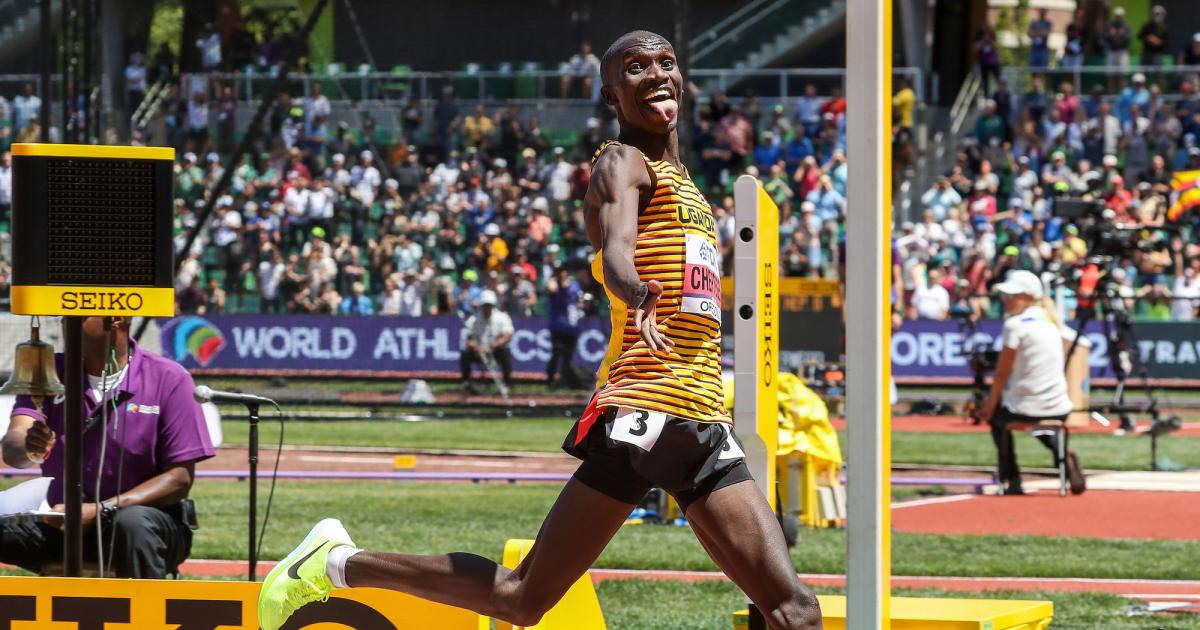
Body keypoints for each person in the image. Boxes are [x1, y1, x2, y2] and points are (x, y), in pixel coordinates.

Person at [258, 31, 822, 630]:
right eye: (635, 68)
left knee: (789, 611)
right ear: (612, 93)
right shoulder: (621, 162)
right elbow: (615, 253)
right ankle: (337, 563)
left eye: (665, 62)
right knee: (528, 597)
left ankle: (340, 563)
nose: (656, 73)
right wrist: (634, 290)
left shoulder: (684, 180)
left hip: (701, 413)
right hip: (651, 411)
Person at [0, 317, 214, 577]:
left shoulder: (169, 378)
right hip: (61, 523)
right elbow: (14, 444)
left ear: (116, 319)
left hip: (144, 525)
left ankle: (143, 616)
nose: (65, 319)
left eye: (80, 311)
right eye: (65, 313)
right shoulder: (47, 370)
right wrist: (27, 445)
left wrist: (102, 509)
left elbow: (179, 478)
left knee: (132, 523)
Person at [975, 271, 1086, 496]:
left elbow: (1001, 374)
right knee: (1040, 419)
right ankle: (1062, 457)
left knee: (999, 418)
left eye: (1011, 296)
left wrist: (989, 404)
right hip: (1060, 407)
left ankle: (1012, 478)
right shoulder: (1053, 323)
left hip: (1023, 408)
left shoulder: (1015, 325)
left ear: (1028, 296)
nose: (1005, 301)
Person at [458, 290, 513, 394]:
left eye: (489, 306)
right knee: (465, 355)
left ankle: (507, 384)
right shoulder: (474, 320)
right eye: (485, 306)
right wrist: (476, 347)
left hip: (495, 350)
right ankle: (467, 383)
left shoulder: (502, 317)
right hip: (479, 351)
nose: (487, 308)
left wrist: (493, 345)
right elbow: (468, 339)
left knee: (506, 353)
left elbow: (507, 335)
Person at [545, 266, 583, 388]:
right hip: (558, 326)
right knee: (556, 353)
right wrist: (555, 279)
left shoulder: (574, 285)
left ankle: (564, 380)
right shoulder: (554, 283)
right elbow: (551, 288)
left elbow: (579, 299)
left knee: (568, 356)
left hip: (571, 327)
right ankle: (550, 380)